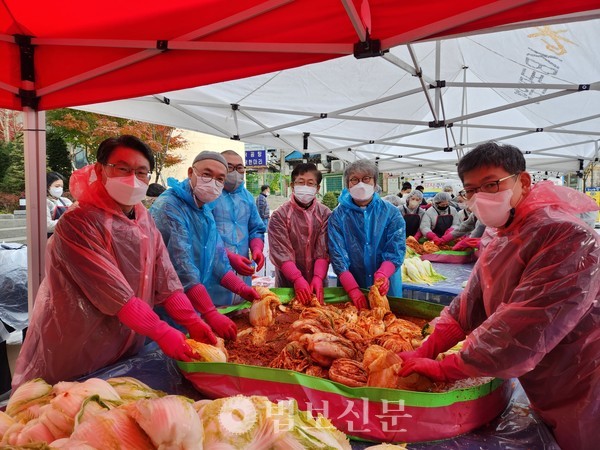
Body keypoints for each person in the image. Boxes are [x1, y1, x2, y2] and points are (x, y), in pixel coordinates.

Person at [399, 142, 600, 450]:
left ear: (523, 181)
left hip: (583, 376)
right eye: (471, 190)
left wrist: (445, 368)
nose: (481, 196)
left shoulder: (568, 236)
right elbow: (469, 304)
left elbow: (522, 328)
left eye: (491, 184)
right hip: (545, 375)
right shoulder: (503, 234)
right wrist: (426, 349)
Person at [12, 136, 217, 389]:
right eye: (122, 168)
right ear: (100, 170)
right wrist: (162, 331)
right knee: (70, 409)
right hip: (75, 347)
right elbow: (117, 296)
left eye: (141, 172)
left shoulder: (143, 219)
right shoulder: (78, 223)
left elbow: (166, 280)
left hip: (127, 345)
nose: (133, 178)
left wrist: (193, 320)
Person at [150, 151, 259, 337]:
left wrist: (242, 289)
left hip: (194, 303)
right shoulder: (169, 208)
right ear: (191, 172)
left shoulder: (204, 209)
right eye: (207, 174)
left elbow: (217, 259)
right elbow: (181, 268)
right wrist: (210, 312)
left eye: (220, 179)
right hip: (169, 308)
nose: (213, 182)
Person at [328, 160, 406, 309]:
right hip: (352, 282)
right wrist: (352, 289)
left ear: (375, 182)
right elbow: (337, 255)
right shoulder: (338, 216)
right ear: (347, 184)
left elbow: (396, 250)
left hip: (385, 285)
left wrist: (384, 274)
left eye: (366, 179)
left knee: (390, 325)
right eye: (354, 180)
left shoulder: (391, 213)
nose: (360, 184)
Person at [207, 150, 266, 305]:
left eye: (240, 168)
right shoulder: (209, 196)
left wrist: (257, 248)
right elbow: (205, 236)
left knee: (241, 313)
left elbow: (256, 228)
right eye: (230, 167)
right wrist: (227, 257)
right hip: (212, 273)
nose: (235, 173)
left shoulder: (247, 198)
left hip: (243, 271)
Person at [268, 163, 331, 304]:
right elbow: (281, 253)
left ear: (317, 188)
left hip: (318, 283)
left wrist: (318, 277)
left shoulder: (325, 214)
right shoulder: (280, 215)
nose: (305, 187)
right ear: (292, 186)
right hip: (288, 283)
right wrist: (296, 278)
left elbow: (324, 250)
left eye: (310, 183)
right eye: (301, 182)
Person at [46, 171, 73, 237]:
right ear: (48, 187)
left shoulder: (65, 201)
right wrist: (67, 222)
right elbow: (47, 226)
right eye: (57, 186)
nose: (60, 189)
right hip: (52, 240)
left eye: (61, 186)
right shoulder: (46, 202)